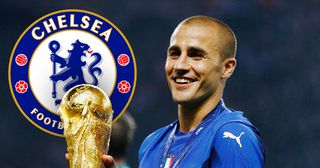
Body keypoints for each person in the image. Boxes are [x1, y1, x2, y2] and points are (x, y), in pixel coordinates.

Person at [73, 15, 266, 167]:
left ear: (227, 68)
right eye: (174, 53)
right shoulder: (153, 143)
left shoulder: (231, 136)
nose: (180, 65)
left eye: (196, 55)